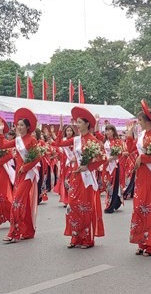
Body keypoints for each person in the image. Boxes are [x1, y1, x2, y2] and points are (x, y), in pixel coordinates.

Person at [54, 107, 106, 249]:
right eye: (76, 122)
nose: (77, 125)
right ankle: (75, 236)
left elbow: (102, 159)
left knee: (85, 207)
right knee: (73, 205)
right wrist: (60, 129)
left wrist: (88, 167)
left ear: (87, 124)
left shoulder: (93, 140)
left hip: (87, 178)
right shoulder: (76, 139)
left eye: (80, 122)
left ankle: (87, 239)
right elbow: (58, 144)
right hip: (75, 178)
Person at [125, 100, 151, 257]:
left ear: (148, 121)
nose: (139, 123)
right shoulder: (142, 136)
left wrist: (143, 158)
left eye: (140, 121)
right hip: (142, 176)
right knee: (139, 206)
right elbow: (131, 151)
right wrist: (130, 137)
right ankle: (141, 241)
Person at [0, 108, 43, 243]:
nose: (19, 127)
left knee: (17, 202)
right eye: (18, 125)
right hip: (19, 174)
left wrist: (25, 167)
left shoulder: (31, 140)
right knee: (24, 203)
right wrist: (0, 131)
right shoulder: (17, 140)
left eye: (22, 125)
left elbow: (37, 157)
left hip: (28, 174)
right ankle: (28, 231)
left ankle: (14, 232)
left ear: (28, 127)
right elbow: (2, 146)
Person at [102, 124, 124, 213]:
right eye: (106, 130)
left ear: (113, 131)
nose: (107, 132)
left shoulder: (118, 141)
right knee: (106, 183)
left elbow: (119, 153)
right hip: (106, 165)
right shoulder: (105, 141)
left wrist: (113, 157)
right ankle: (116, 201)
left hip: (114, 165)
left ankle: (110, 205)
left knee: (112, 184)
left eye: (109, 130)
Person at [53, 124, 75, 207]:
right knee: (65, 181)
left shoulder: (75, 140)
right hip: (65, 163)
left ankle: (72, 199)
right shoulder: (64, 140)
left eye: (70, 131)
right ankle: (66, 199)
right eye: (67, 131)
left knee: (71, 181)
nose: (69, 132)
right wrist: (60, 129)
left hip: (73, 162)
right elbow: (57, 144)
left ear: (73, 132)